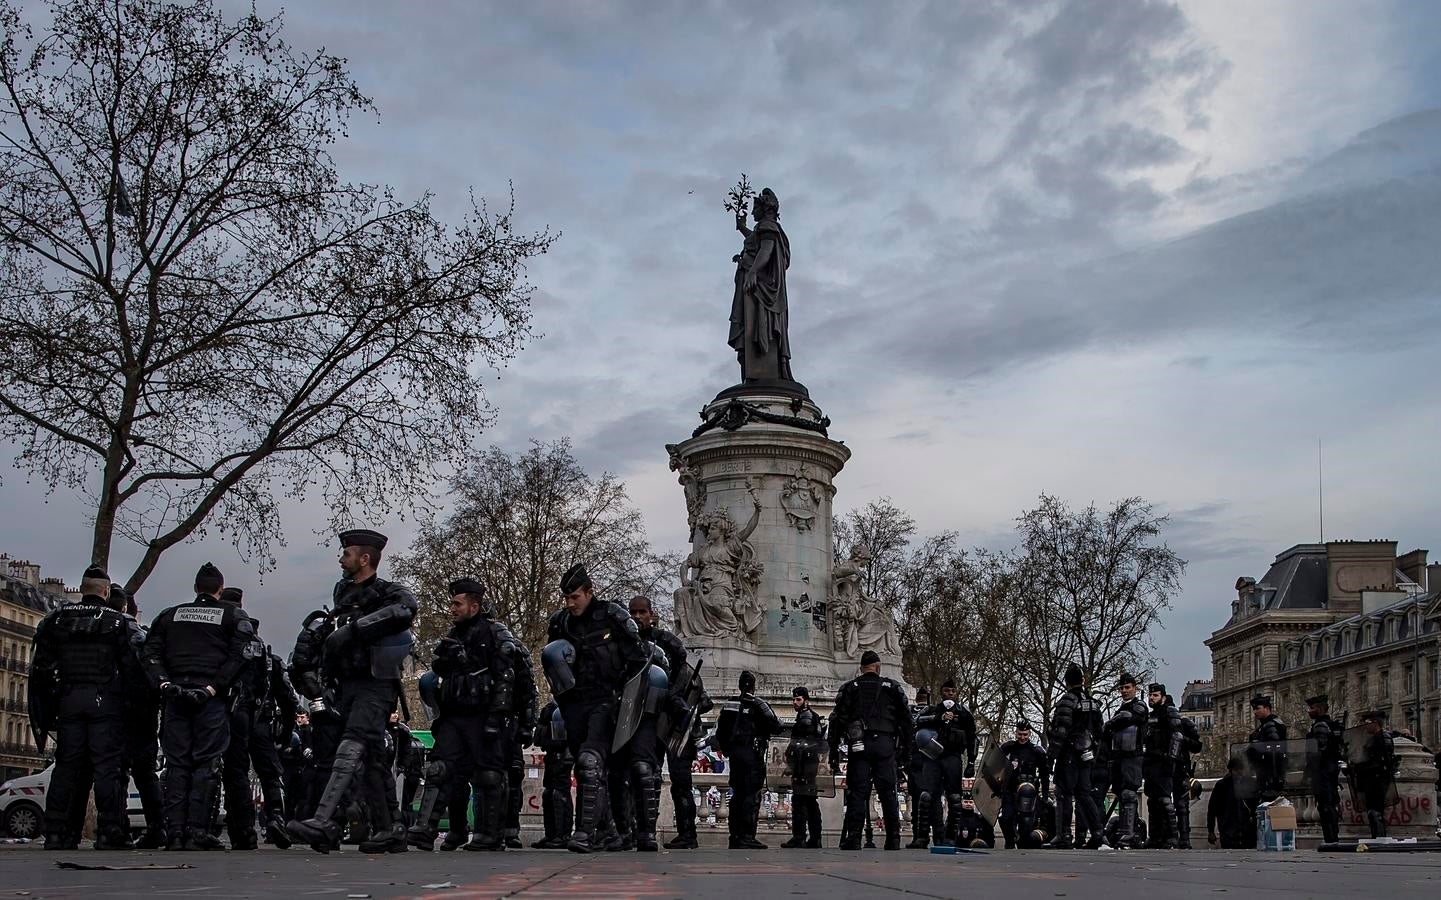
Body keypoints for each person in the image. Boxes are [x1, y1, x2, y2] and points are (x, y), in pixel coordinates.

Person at [286, 529, 418, 854]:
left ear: (365, 558)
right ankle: (391, 829)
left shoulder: (389, 592)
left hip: (376, 684)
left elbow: (406, 610)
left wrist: (356, 629)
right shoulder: (342, 592)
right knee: (373, 760)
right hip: (345, 685)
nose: (341, 559)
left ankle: (323, 819)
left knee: (353, 743)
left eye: (346, 554)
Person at [407, 578, 530, 851]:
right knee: (439, 769)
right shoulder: (454, 635)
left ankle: (490, 834)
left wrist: (499, 717)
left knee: (488, 775)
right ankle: (425, 829)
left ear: (474, 606)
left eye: (456, 603)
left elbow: (506, 678)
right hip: (454, 714)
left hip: (483, 714)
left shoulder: (495, 634)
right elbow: (437, 672)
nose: (452, 608)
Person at [143, 562, 255, 850]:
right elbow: (244, 653)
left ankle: (175, 833)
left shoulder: (170, 615)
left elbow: (150, 653)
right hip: (211, 698)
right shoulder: (232, 615)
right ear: (220, 589)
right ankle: (197, 831)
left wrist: (166, 685)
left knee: (177, 764)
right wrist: (213, 687)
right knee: (207, 764)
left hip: (176, 696)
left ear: (195, 589)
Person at [30, 565, 140, 850]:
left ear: (82, 589)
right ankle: (109, 830)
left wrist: (51, 705)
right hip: (106, 703)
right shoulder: (119, 622)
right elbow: (133, 668)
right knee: (107, 769)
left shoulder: (55, 620)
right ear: (105, 591)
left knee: (66, 767)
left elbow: (41, 668)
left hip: (69, 701)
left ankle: (57, 831)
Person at [542, 563, 648, 853]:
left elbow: (638, 662)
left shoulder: (613, 616)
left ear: (590, 591)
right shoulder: (561, 622)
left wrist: (623, 705)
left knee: (590, 763)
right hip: (575, 704)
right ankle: (609, 831)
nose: (570, 603)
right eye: (566, 598)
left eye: (575, 596)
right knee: (588, 768)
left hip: (607, 701)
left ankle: (584, 834)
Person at [216, 586, 292, 850]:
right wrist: (285, 731)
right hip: (261, 720)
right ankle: (276, 819)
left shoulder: (220, 646)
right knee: (269, 773)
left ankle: (244, 829)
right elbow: (288, 699)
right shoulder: (268, 656)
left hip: (231, 716)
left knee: (234, 772)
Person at [829, 650, 911, 851]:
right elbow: (906, 721)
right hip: (885, 743)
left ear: (861, 668)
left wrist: (833, 750)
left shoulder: (850, 688)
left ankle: (855, 838)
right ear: (877, 666)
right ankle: (893, 839)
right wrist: (905, 750)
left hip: (859, 744)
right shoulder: (892, 687)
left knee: (858, 792)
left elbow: (837, 720)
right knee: (888, 793)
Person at [728, 186, 794, 383]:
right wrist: (742, 228)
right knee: (752, 326)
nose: (752, 211)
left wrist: (753, 273)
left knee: (756, 325)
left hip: (759, 290)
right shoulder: (765, 228)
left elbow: (765, 250)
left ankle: (760, 372)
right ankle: (755, 371)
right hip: (755, 286)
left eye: (755, 207)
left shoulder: (768, 227)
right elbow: (757, 241)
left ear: (765, 209)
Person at [1045, 663, 1104, 849]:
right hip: (1086, 754)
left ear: (1066, 682)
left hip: (1069, 754)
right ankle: (1097, 832)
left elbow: (1060, 732)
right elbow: (1100, 731)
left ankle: (1064, 835)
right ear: (1082, 680)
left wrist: (1050, 757)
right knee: (1084, 795)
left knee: (1063, 793)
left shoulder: (1067, 701)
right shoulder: (1092, 703)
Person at [720, 670, 781, 849]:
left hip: (735, 756)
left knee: (737, 795)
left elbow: (721, 730)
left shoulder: (728, 704)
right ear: (754, 686)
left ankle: (735, 836)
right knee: (751, 796)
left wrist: (727, 749)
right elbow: (776, 725)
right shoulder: (758, 703)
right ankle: (747, 836)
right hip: (752, 755)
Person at [914, 680, 976, 848]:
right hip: (932, 758)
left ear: (956, 693)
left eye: (952, 691)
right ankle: (923, 837)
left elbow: (972, 738)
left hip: (953, 757)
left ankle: (950, 837)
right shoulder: (932, 709)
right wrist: (938, 718)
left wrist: (971, 761)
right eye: (946, 690)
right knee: (927, 797)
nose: (949, 693)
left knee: (955, 798)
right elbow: (917, 721)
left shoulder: (964, 713)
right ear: (941, 692)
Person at [1102, 672, 1148, 849]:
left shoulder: (1139, 706)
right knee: (1122, 794)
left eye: (1127, 687)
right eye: (1122, 688)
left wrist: (1112, 722)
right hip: (1119, 756)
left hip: (1132, 756)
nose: (1124, 691)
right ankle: (1130, 829)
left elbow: (1131, 718)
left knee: (1129, 793)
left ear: (1134, 688)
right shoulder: (1120, 709)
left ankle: (1128, 833)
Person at [782, 686, 824, 848]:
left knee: (799, 801)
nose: (795, 702)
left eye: (798, 699)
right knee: (811, 801)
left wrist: (795, 765)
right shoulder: (811, 716)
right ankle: (815, 837)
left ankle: (799, 837)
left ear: (806, 700)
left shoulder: (805, 717)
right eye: (794, 699)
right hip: (809, 765)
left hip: (803, 766)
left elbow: (801, 745)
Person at [1142, 682, 1183, 848]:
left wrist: (1171, 758)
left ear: (1163, 697)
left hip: (1163, 761)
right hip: (1151, 761)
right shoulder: (1151, 715)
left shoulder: (1169, 712)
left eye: (1155, 695)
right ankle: (1155, 836)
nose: (1152, 698)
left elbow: (1177, 736)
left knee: (1165, 800)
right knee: (1152, 801)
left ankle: (1172, 837)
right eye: (1150, 695)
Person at [998, 720, 1049, 849]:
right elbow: (996, 766)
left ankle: (1022, 843)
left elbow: (1044, 774)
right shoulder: (1008, 748)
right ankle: (1009, 841)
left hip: (1028, 793)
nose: (1022, 737)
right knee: (1007, 818)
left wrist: (1045, 794)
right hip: (1010, 790)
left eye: (1025, 734)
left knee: (1025, 822)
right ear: (1016, 733)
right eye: (1020, 734)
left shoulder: (1037, 751)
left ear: (1029, 734)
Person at [532, 699, 574, 848]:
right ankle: (551, 834)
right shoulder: (550, 709)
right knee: (549, 793)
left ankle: (562, 834)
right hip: (551, 753)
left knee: (559, 793)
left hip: (562, 753)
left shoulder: (566, 707)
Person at [1304, 694, 1345, 845]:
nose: (1309, 711)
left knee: (1326, 806)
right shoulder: (1331, 725)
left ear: (1320, 709)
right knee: (1329, 804)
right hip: (1330, 770)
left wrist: (1310, 770)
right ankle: (1332, 837)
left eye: (1312, 708)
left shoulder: (1320, 726)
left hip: (1323, 771)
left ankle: (1331, 838)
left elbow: (1319, 750)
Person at [1354, 709, 1397, 838]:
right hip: (1370, 780)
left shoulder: (1383, 738)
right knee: (1372, 810)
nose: (1365, 725)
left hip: (1377, 780)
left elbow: (1383, 761)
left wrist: (1364, 766)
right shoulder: (1371, 739)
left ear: (1375, 723)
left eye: (1367, 722)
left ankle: (1379, 837)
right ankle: (1377, 836)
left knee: (1376, 811)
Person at [1168, 694, 1203, 850]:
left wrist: (1183, 740)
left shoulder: (1183, 725)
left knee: (1181, 806)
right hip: (1166, 768)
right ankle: (1176, 838)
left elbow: (1197, 745)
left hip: (1180, 769)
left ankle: (1183, 838)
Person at [1246, 694, 1288, 804]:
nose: (1255, 712)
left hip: (1269, 775)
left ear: (1267, 708)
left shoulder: (1270, 725)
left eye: (1258, 708)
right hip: (1266, 773)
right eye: (1254, 709)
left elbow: (1273, 750)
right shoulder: (1265, 726)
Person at [904, 686, 931, 849]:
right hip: (929, 760)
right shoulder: (933, 712)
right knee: (928, 801)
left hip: (914, 760)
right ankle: (932, 836)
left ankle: (919, 836)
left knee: (917, 801)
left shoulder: (909, 713)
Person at [1207, 757, 1253, 848]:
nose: (1239, 773)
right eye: (1237, 770)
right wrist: (1211, 831)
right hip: (1228, 831)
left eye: (1241, 770)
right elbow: (1212, 809)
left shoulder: (1249, 783)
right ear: (1231, 770)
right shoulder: (1222, 786)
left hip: (1246, 831)